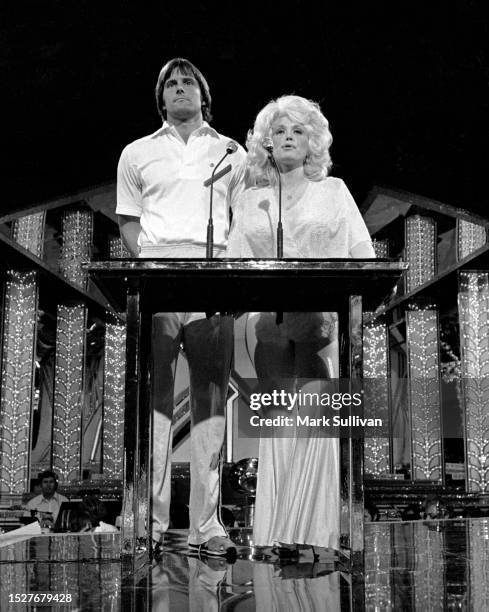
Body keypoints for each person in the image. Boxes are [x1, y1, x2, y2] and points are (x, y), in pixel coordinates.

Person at [227, 95, 375, 556]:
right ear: (266, 142)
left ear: (313, 142)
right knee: (278, 426)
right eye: (280, 130)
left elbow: (363, 256)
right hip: (268, 328)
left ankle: (316, 535)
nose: (289, 137)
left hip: (319, 325)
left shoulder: (333, 190)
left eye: (299, 131)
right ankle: (276, 535)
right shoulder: (253, 199)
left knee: (313, 424)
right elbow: (233, 262)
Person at [116, 58, 246, 557]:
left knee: (213, 404)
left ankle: (206, 527)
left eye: (188, 81)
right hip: (158, 279)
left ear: (203, 95)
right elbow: (129, 221)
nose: (179, 88)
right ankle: (149, 523)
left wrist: (231, 277)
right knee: (157, 403)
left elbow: (243, 220)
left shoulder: (230, 151)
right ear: (161, 99)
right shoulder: (136, 152)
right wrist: (151, 266)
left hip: (213, 278)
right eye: (170, 83)